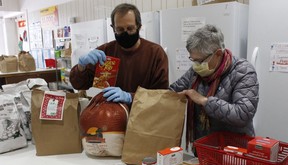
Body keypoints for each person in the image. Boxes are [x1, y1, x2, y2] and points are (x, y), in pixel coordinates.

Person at [169, 24, 259, 153]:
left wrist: (205, 101)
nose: (196, 65)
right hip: (203, 147)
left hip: (233, 151)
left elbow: (243, 114)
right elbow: (173, 90)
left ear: (217, 54)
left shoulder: (243, 71)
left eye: (199, 61)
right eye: (193, 60)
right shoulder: (196, 72)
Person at [69, 3, 169, 104]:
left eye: (130, 28)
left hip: (143, 117)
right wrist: (81, 67)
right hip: (111, 116)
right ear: (113, 28)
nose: (125, 33)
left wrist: (131, 97)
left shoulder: (155, 54)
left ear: (139, 26)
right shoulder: (105, 52)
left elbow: (160, 96)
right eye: (119, 29)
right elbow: (78, 85)